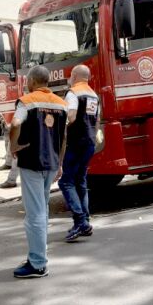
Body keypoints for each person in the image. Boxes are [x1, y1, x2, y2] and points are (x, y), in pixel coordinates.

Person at [9, 65, 67, 279]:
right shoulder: (61, 104)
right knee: (42, 212)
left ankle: (38, 263)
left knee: (34, 214)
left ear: (32, 81)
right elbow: (63, 138)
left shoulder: (26, 101)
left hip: (32, 162)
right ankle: (38, 256)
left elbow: (15, 123)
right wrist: (60, 163)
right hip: (51, 163)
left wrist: (13, 145)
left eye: (27, 80)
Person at [59, 65, 99, 242]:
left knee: (66, 182)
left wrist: (60, 127)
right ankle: (86, 220)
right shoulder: (93, 95)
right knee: (81, 181)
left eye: (70, 75)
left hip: (75, 142)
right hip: (89, 141)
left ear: (74, 76)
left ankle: (81, 221)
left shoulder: (73, 93)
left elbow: (72, 116)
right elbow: (96, 121)